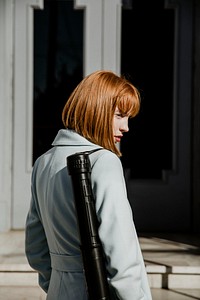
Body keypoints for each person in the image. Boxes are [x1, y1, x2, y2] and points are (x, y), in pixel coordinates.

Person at [25, 70, 152, 300]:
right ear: (97, 110)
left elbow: (36, 249)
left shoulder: (43, 162)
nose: (126, 127)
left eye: (127, 118)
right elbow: (121, 253)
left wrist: (58, 284)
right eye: (119, 115)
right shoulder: (104, 161)